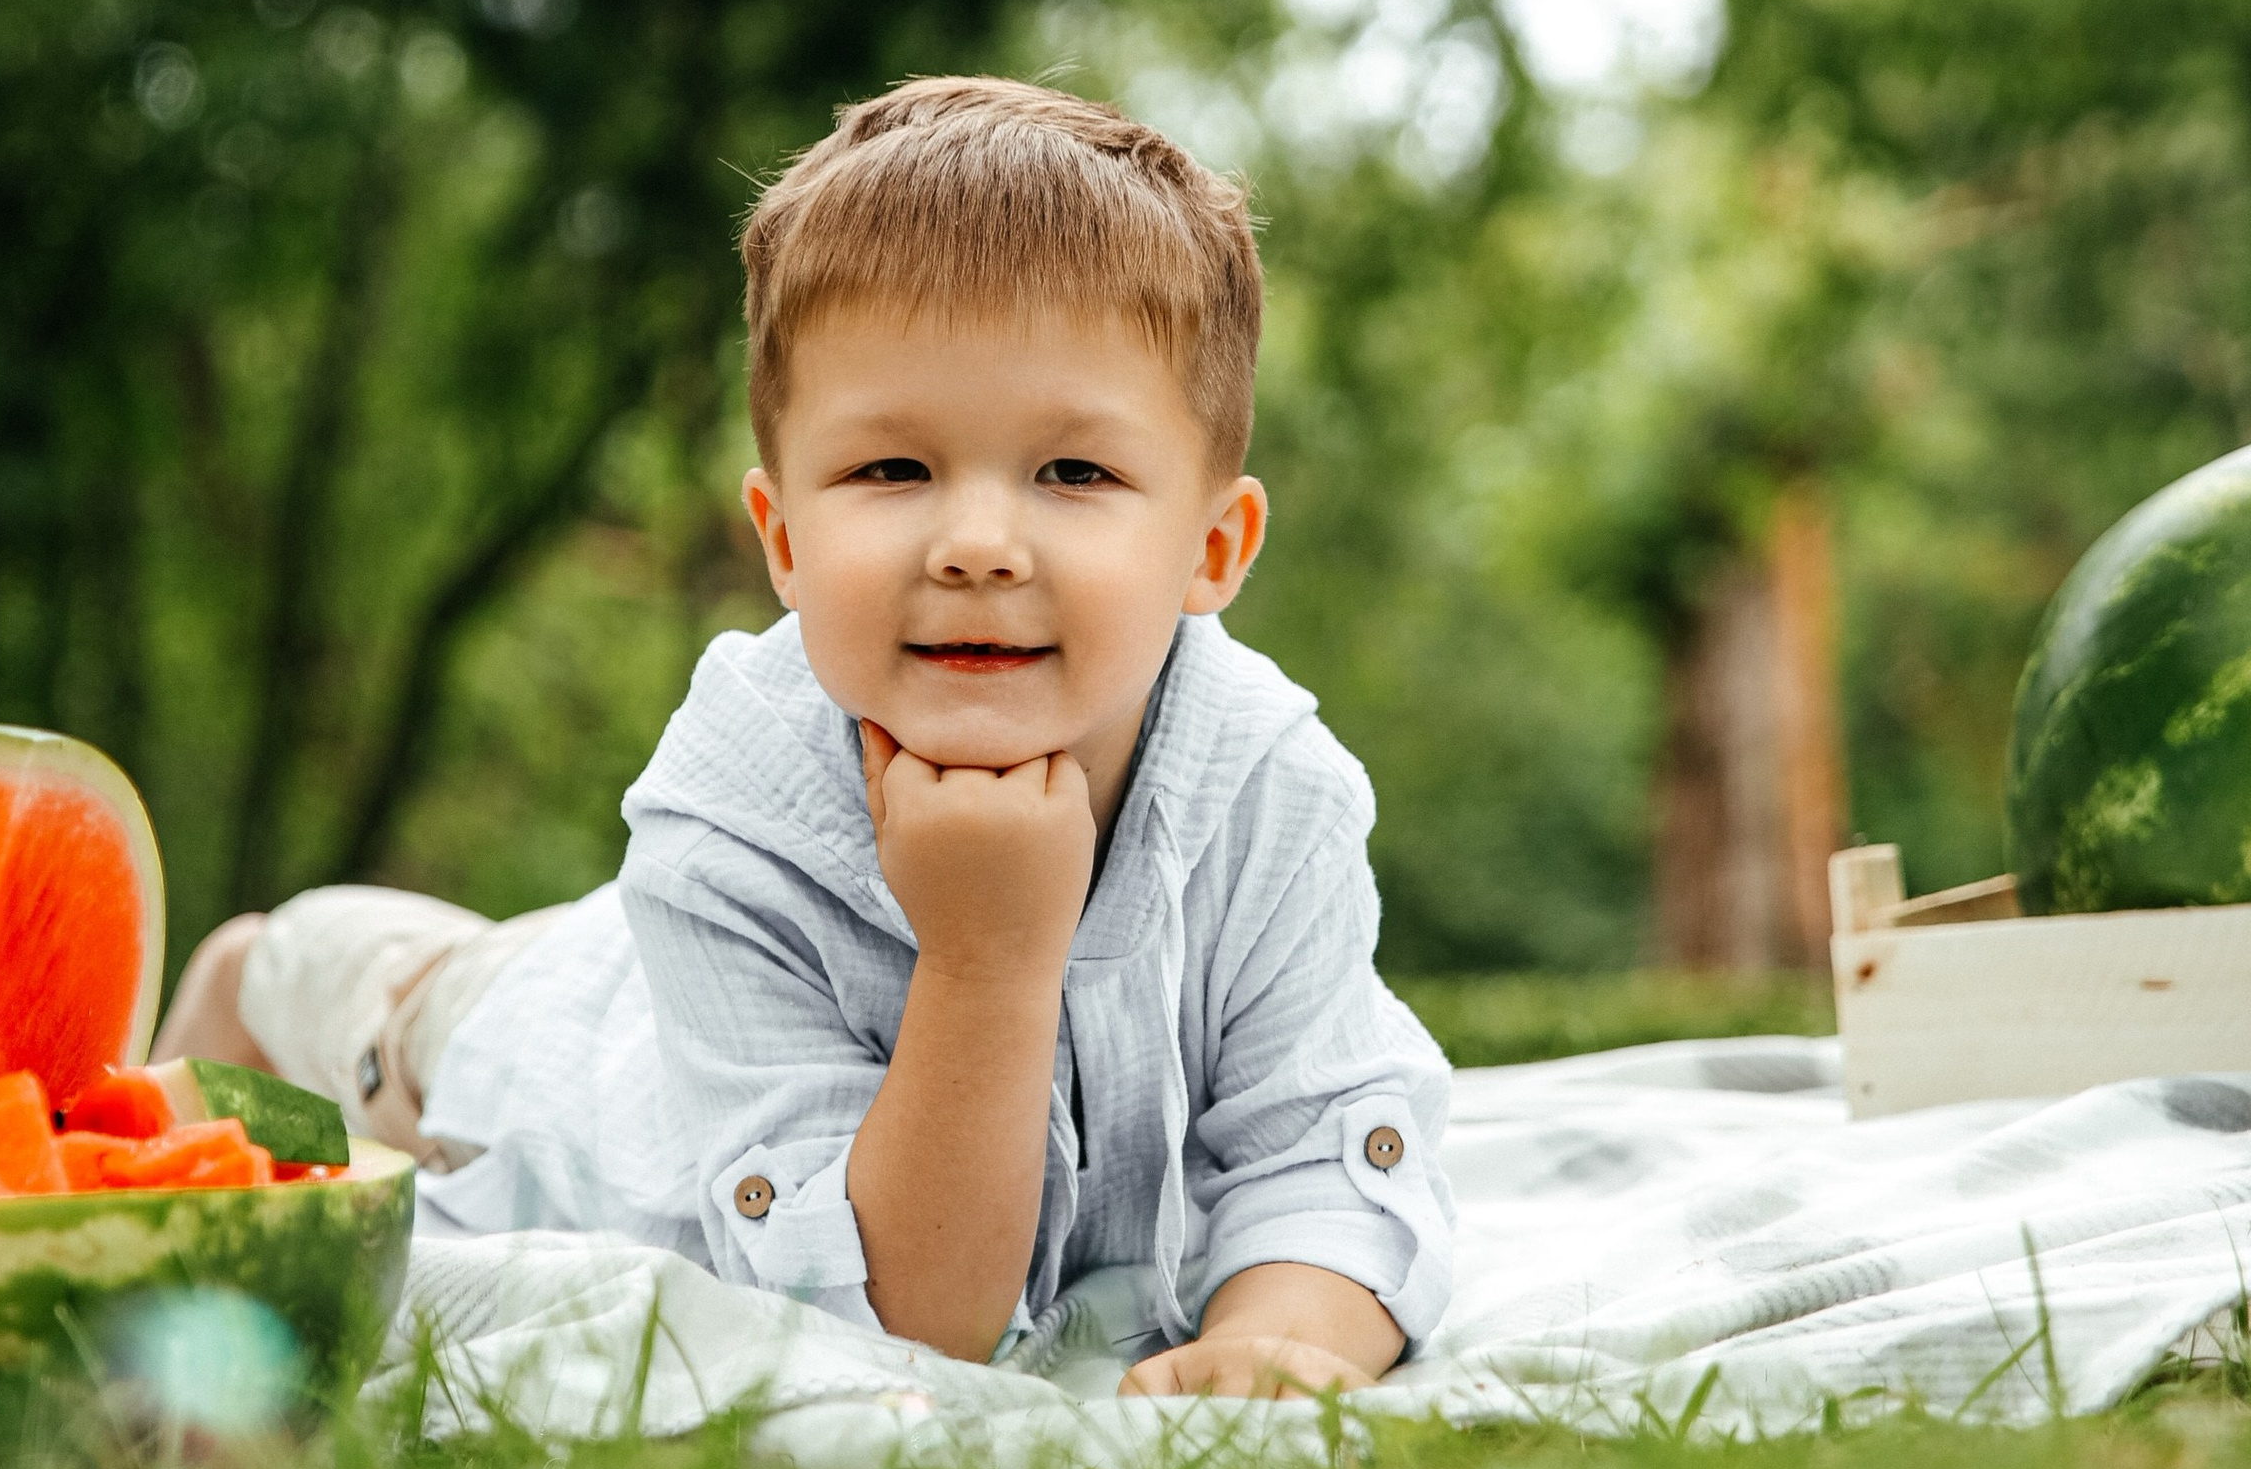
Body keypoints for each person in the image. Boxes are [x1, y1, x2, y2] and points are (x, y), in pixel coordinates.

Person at [160, 77, 1452, 1397]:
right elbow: (902, 1327)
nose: (978, 546)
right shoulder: (726, 810)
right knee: (394, 1010)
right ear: (783, 538)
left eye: (1074, 474)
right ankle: (249, 975)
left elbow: (1325, 1152)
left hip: (644, 962)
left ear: (1213, 547)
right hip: (551, 1049)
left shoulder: (1274, 795)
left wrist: (1275, 1344)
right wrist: (988, 957)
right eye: (893, 471)